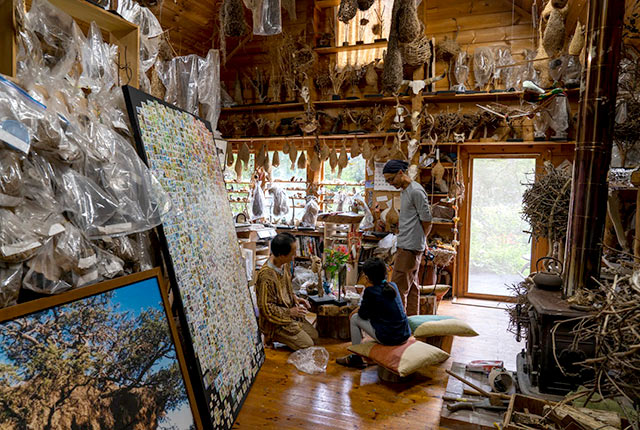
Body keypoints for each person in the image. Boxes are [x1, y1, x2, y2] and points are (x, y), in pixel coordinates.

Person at [336, 258, 411, 368]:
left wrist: (357, 310)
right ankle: (361, 352)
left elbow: (362, 315)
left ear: (367, 277)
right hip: (404, 334)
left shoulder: (370, 291)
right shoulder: (392, 286)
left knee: (354, 318)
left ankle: (356, 357)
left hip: (390, 338)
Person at [383, 159, 432, 316]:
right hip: (407, 244)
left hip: (410, 247)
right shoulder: (405, 191)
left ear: (401, 173)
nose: (390, 183)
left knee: (397, 289)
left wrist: (421, 240)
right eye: (387, 181)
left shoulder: (416, 191)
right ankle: (411, 323)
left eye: (391, 179)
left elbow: (427, 221)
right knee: (411, 288)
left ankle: (399, 326)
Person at [255, 232, 318, 350]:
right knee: (307, 344)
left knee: (314, 336)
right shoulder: (266, 276)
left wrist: (295, 298)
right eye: (292, 253)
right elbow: (266, 309)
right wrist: (290, 312)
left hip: (288, 314)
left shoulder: (284, 264)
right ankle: (271, 336)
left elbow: (286, 287)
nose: (294, 256)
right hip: (275, 323)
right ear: (281, 255)